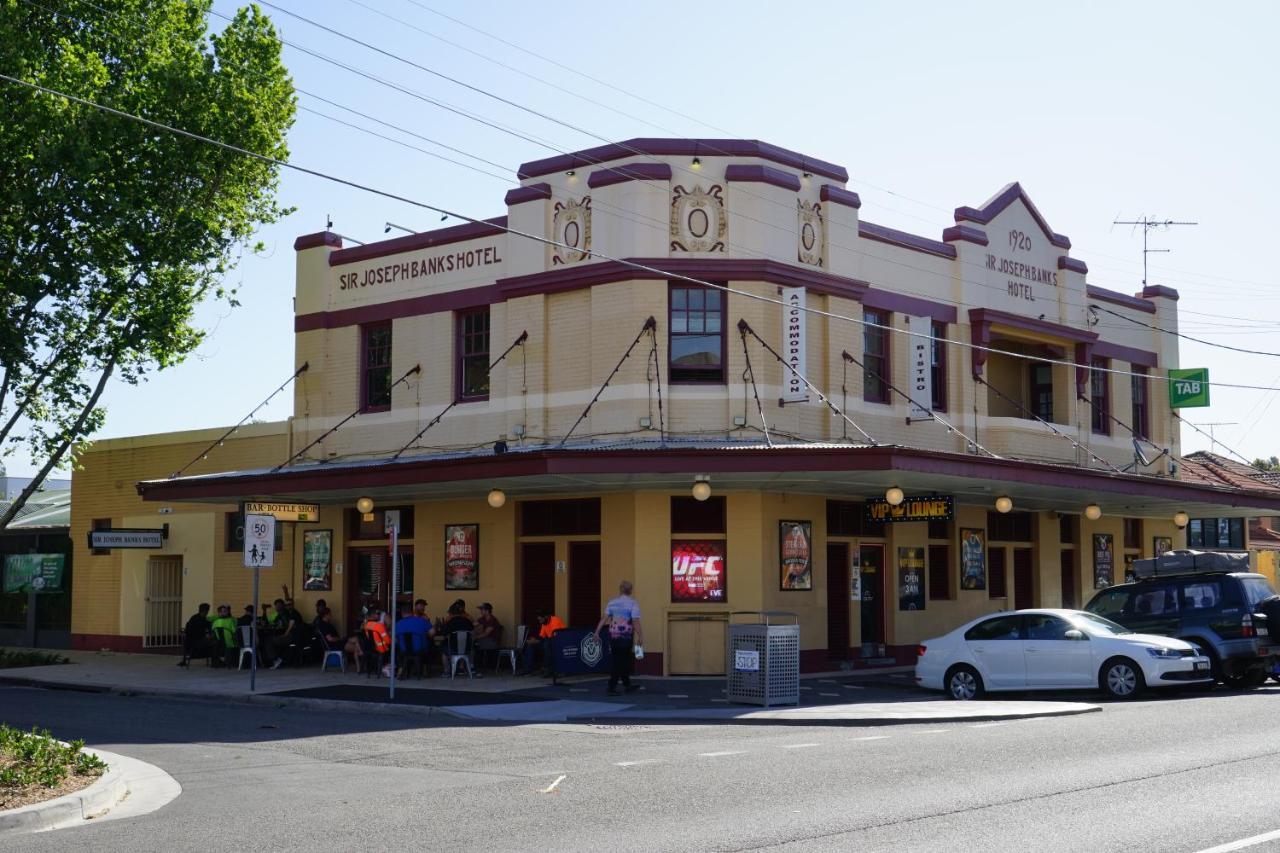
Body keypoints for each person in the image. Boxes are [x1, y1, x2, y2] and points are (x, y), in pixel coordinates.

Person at [596, 581, 644, 695]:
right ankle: (611, 686)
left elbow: (604, 618)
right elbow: (635, 621)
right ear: (630, 591)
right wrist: (640, 635)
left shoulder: (612, 602)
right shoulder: (633, 603)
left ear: (620, 590)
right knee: (621, 661)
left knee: (620, 660)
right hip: (626, 636)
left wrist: (597, 632)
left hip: (613, 635)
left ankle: (627, 684)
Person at [520, 610, 565, 676]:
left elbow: (555, 636)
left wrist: (538, 641)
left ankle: (547, 669)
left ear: (546, 617)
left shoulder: (555, 620)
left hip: (560, 641)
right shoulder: (544, 623)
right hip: (549, 641)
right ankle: (527, 669)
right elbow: (541, 637)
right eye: (539, 620)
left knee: (547, 644)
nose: (539, 621)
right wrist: (534, 640)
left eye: (541, 619)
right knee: (530, 645)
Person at [394, 602, 433, 676]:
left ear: (402, 613)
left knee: (397, 650)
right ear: (412, 611)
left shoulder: (397, 624)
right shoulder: (422, 621)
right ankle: (425, 669)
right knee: (430, 646)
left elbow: (394, 639)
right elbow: (432, 632)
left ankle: (401, 669)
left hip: (404, 651)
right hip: (420, 650)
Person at [179, 603, 215, 667]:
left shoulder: (193, 617)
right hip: (196, 642)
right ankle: (215, 662)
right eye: (207, 611)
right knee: (214, 642)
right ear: (205, 611)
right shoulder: (203, 620)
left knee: (210, 640)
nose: (207, 613)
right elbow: (209, 629)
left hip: (188, 642)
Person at [473, 602, 503, 668]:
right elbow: (473, 625)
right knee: (472, 643)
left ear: (487, 611)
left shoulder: (493, 620)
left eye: (482, 610)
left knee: (474, 644)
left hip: (493, 641)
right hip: (484, 640)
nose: (480, 611)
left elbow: (486, 634)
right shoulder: (481, 619)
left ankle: (476, 666)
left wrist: (475, 637)